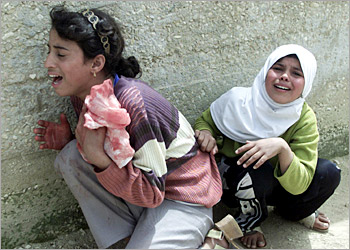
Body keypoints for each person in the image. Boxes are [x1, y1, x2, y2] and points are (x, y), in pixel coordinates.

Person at [33, 6, 223, 249]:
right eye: (49, 51)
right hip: (145, 192)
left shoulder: (136, 104)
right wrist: (73, 140)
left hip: (182, 199)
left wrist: (97, 158)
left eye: (61, 55)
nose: (48, 62)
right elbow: (117, 150)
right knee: (71, 155)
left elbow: (153, 195)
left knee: (85, 155)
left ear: (96, 63)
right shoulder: (84, 95)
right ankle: (126, 241)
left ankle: (215, 240)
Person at [194, 44, 341, 249]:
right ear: (266, 72)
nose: (284, 76)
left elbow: (299, 185)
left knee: (329, 172)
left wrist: (282, 148)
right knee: (256, 168)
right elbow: (205, 122)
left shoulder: (303, 118)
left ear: (306, 84)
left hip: (279, 185)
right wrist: (206, 134)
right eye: (278, 68)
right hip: (238, 183)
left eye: (296, 73)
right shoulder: (237, 100)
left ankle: (292, 213)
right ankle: (248, 221)